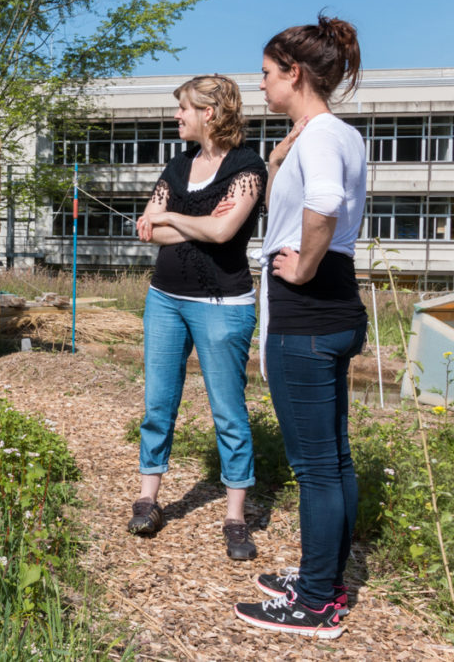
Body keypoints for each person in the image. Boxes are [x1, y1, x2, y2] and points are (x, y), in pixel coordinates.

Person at [233, 15, 366, 639]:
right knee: (334, 459)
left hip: (306, 312)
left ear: (295, 73)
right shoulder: (335, 134)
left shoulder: (319, 138)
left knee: (315, 468)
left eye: (266, 74)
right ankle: (326, 580)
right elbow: (315, 199)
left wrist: (304, 264)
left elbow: (324, 206)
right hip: (338, 309)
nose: (260, 85)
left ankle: (315, 603)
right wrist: (279, 159)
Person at [128, 76, 267, 561]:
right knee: (157, 404)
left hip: (222, 305)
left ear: (209, 112)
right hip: (164, 298)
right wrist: (193, 226)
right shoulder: (179, 163)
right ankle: (148, 498)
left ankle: (234, 517)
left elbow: (226, 230)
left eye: (183, 108)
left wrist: (178, 221)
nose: (177, 116)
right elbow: (149, 227)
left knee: (228, 412)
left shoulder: (247, 167)